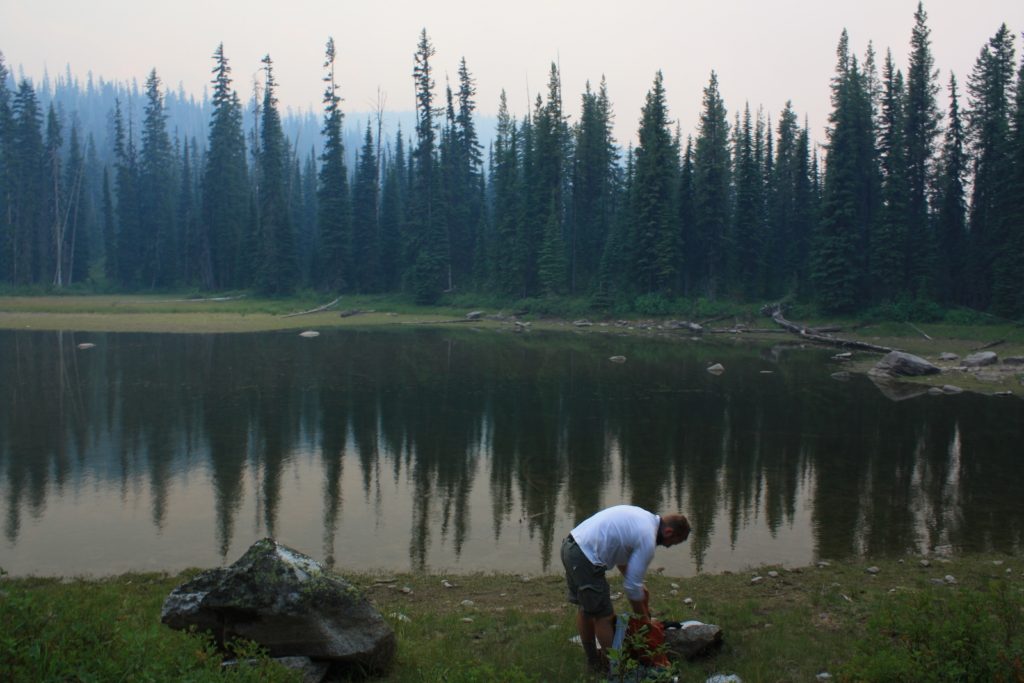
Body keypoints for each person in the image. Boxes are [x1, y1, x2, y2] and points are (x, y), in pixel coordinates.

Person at [561, 505, 690, 675]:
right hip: (586, 557)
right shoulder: (648, 538)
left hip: (571, 547)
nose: (668, 547)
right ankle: (613, 669)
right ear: (669, 533)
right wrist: (645, 624)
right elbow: (631, 588)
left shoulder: (643, 518)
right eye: (672, 543)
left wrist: (640, 587)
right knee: (603, 616)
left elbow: (621, 554)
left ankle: (594, 663)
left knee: (586, 610)